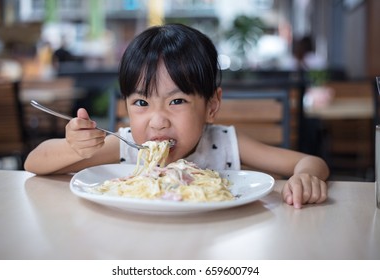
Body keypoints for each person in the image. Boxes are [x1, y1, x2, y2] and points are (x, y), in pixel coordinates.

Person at [24, 23, 329, 209]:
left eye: (177, 100)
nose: (157, 121)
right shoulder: (127, 146)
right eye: (141, 102)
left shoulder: (224, 143)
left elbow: (311, 162)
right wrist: (72, 147)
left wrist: (305, 177)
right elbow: (34, 163)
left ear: (211, 105)